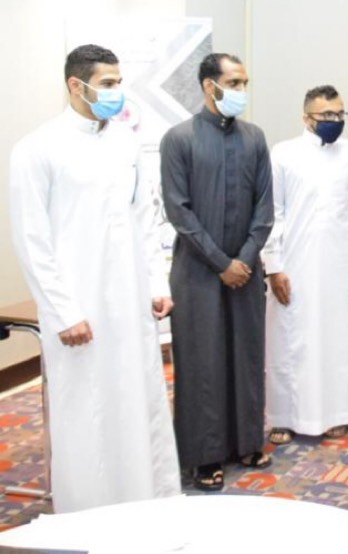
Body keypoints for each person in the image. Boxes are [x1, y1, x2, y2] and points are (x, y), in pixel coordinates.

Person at [9, 44, 180, 512]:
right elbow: (32, 241)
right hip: (78, 308)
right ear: (75, 85)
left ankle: (147, 504)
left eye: (119, 82)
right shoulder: (36, 149)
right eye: (107, 83)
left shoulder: (126, 142)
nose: (117, 91)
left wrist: (157, 283)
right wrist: (63, 311)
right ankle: (88, 516)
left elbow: (144, 219)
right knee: (86, 412)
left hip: (131, 301)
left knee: (138, 401)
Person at [159, 53, 274, 492]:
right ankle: (204, 456)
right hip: (197, 271)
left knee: (246, 357)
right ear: (210, 85)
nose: (242, 91)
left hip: (246, 268)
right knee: (202, 361)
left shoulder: (255, 138)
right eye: (235, 82)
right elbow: (179, 212)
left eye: (245, 83)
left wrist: (244, 258)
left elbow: (265, 208)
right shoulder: (179, 139)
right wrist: (221, 264)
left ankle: (247, 442)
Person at [263, 85, 348, 445]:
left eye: (340, 114)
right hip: (293, 264)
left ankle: (336, 412)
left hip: (340, 264)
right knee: (290, 339)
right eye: (327, 115)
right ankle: (283, 416)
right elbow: (272, 213)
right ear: (306, 117)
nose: (335, 120)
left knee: (337, 338)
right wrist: (273, 266)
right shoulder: (283, 153)